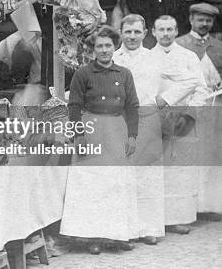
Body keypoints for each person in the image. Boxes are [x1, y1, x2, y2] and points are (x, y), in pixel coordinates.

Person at [61, 25, 139, 254]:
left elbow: (132, 106)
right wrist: (79, 135)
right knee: (92, 184)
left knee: (115, 184)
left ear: (115, 47)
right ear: (92, 49)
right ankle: (92, 236)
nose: (104, 50)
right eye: (99, 46)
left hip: (116, 129)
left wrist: (132, 135)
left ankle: (116, 236)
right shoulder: (83, 73)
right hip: (91, 128)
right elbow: (73, 105)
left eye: (108, 45)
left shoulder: (124, 74)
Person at [149, 15, 208, 234]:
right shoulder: (146, 56)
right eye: (161, 29)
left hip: (183, 119)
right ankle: (155, 219)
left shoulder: (189, 56)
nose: (165, 33)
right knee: (156, 170)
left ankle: (178, 217)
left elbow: (201, 88)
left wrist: (190, 114)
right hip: (154, 118)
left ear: (176, 31)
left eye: (170, 29)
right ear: (153, 32)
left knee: (180, 171)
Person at [113, 14, 165, 245]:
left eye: (136, 32)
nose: (132, 36)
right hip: (120, 120)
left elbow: (183, 82)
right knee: (122, 175)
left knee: (148, 174)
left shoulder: (157, 58)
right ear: (121, 33)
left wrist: (164, 100)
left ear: (145, 34)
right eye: (128, 32)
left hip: (147, 118)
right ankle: (124, 231)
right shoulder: (112, 58)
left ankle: (150, 228)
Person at [176, 3, 222, 222]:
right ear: (191, 19)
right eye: (201, 19)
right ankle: (189, 206)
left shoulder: (219, 46)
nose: (205, 24)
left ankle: (212, 205)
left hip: (216, 110)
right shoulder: (179, 45)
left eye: (209, 20)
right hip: (190, 109)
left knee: (213, 156)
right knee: (190, 155)